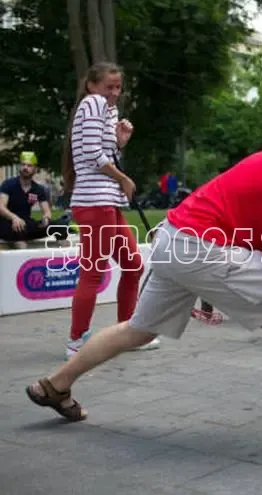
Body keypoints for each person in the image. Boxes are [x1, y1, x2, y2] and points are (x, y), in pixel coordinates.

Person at [24, 115, 262, 448]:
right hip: (199, 243)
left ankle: (56, 385)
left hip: (176, 239)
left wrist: (254, 299)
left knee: (140, 330)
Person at [62, 62, 160, 359]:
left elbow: (105, 153)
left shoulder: (108, 110)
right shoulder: (92, 103)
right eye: (109, 87)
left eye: (118, 87)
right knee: (93, 272)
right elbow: (92, 155)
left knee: (132, 265)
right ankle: (76, 340)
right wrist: (123, 179)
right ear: (92, 85)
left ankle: (127, 333)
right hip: (94, 202)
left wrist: (119, 142)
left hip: (108, 202)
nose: (115, 93)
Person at [0, 151, 71, 248]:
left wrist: (46, 218)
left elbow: (47, 212)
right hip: (8, 224)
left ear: (35, 169)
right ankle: (19, 245)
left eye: (29, 166)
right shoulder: (8, 184)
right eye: (23, 165)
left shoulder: (38, 189)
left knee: (60, 226)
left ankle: (64, 256)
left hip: (26, 224)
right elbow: (1, 207)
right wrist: (14, 218)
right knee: (19, 236)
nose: (25, 168)